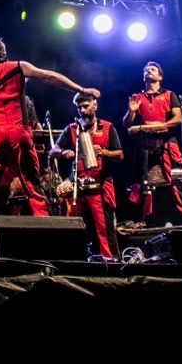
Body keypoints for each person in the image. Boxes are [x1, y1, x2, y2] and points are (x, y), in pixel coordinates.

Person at [0, 35, 100, 246]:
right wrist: (82, 90)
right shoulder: (18, 67)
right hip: (20, 135)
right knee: (33, 188)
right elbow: (49, 76)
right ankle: (50, 240)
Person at [50, 92, 123, 258]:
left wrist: (104, 152)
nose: (82, 110)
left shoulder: (107, 127)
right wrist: (63, 152)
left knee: (104, 228)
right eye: (79, 107)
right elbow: (52, 151)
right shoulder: (72, 129)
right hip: (77, 184)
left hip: (100, 185)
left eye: (86, 106)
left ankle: (111, 261)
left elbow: (120, 154)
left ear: (95, 105)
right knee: (73, 226)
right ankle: (75, 260)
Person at [124, 61, 182, 227]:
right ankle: (145, 222)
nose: (148, 70)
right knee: (143, 186)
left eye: (152, 69)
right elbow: (127, 124)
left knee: (176, 184)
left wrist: (156, 126)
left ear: (160, 76)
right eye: (146, 69)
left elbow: (178, 119)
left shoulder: (170, 95)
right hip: (145, 149)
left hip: (166, 146)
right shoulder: (137, 98)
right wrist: (131, 111)